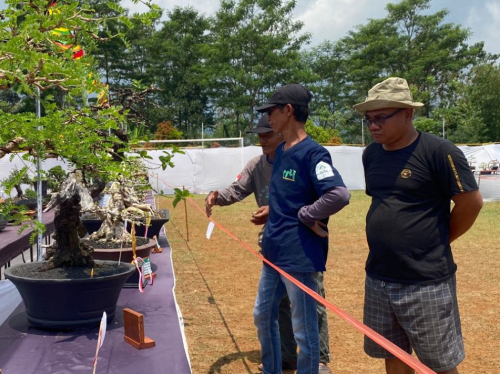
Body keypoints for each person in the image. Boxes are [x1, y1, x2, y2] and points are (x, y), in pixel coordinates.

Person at [354, 77, 483, 374]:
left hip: (425, 281)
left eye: (381, 117)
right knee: (393, 353)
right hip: (379, 276)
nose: (373, 125)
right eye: (369, 118)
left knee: (439, 363)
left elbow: (470, 203)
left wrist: (439, 240)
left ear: (408, 114)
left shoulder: (440, 151)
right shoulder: (371, 154)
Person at [205, 114, 335, 373]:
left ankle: (318, 360)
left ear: (281, 133)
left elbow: (326, 197)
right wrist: (217, 197)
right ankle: (285, 356)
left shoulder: (302, 159)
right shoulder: (257, 165)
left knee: (311, 304)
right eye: (259, 135)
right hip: (274, 245)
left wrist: (276, 210)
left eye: (267, 134)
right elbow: (237, 190)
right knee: (276, 307)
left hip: (301, 246)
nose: (262, 140)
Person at [255, 84, 350, 374]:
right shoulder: (282, 151)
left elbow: (338, 194)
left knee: (304, 331)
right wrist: (275, 209)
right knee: (263, 315)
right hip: (272, 253)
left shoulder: (314, 154)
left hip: (299, 257)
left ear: (288, 110)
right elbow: (291, 195)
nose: (267, 118)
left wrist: (307, 214)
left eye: (271, 111)